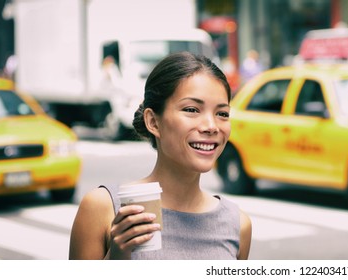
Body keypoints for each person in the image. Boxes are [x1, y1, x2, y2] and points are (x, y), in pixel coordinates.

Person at [69, 52, 252, 260]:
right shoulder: (103, 208)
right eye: (192, 109)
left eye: (222, 113)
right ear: (153, 122)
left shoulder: (237, 224)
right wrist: (116, 258)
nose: (211, 126)